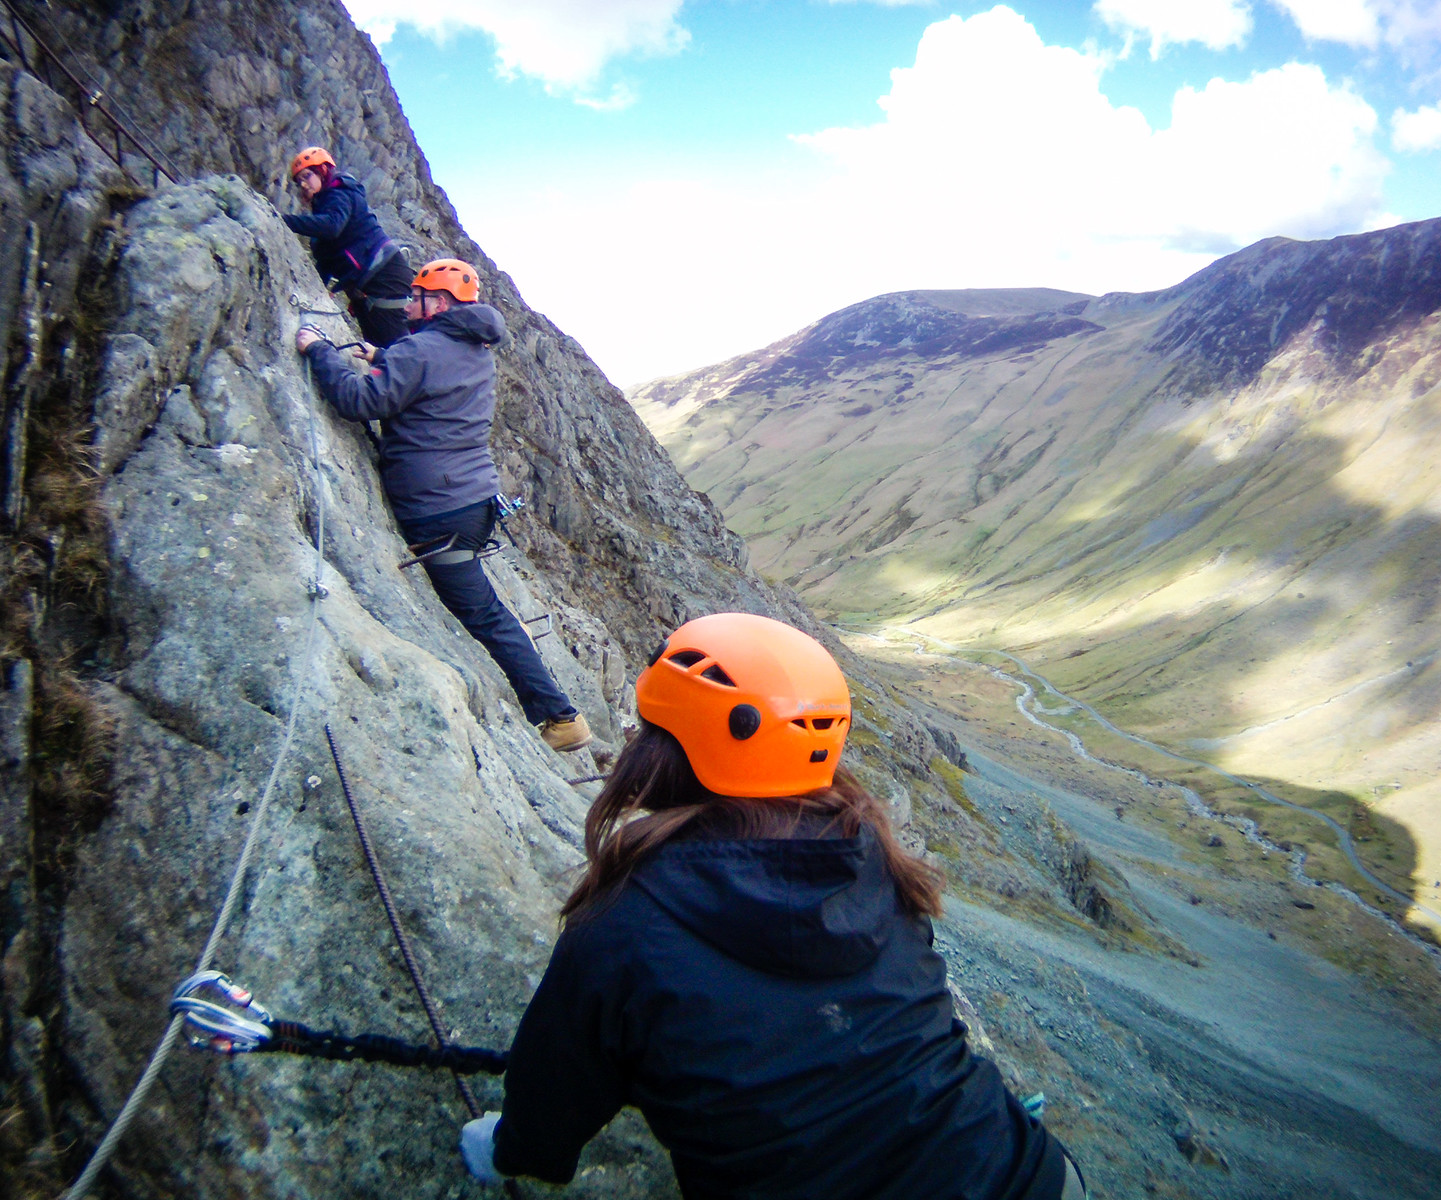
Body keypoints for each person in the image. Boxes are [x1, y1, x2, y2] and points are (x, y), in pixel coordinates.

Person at [457, 612, 1088, 1199]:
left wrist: (504, 1150)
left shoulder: (623, 923)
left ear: (666, 751)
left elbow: (553, 1097)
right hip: (1026, 1171)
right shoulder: (876, 864)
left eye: (647, 728)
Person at [295, 258, 592, 753]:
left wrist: (318, 351)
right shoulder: (474, 350)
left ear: (442, 303)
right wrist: (385, 357)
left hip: (436, 510)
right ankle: (558, 714)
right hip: (472, 502)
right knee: (489, 612)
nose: (408, 304)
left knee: (487, 617)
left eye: (418, 297)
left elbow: (358, 402)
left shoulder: (419, 349)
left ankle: (562, 719)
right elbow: (427, 376)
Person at [282, 146, 413, 348]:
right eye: (299, 181)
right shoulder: (326, 204)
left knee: (393, 348)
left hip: (384, 274)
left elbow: (332, 227)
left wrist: (284, 221)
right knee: (378, 346)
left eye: (307, 176)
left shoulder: (338, 192)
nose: (303, 184)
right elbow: (326, 254)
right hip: (373, 278)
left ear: (322, 170)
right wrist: (319, 288)